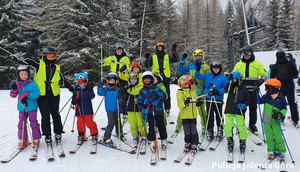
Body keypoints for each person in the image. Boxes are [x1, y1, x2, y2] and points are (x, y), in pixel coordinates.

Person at [24, 39, 74, 148]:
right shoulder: (39, 64)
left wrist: (72, 89)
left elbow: (63, 80)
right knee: (45, 115)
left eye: (54, 56)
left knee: (55, 114)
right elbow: (26, 58)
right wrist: (32, 48)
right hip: (42, 95)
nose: (52, 58)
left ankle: (58, 133)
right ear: (45, 55)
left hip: (54, 94)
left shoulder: (57, 68)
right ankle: (47, 134)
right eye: (50, 56)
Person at [232, 45, 268, 134]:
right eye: (245, 54)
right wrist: (235, 82)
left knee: (253, 108)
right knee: (242, 108)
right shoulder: (239, 64)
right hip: (242, 90)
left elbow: (264, 75)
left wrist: (259, 83)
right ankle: (241, 125)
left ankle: (252, 125)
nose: (247, 56)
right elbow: (234, 75)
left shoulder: (257, 64)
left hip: (253, 88)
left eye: (248, 54)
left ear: (252, 54)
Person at [178, 50, 210, 136]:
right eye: (196, 56)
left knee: (201, 109)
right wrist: (182, 62)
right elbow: (180, 71)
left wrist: (203, 87)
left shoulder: (206, 67)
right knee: (185, 107)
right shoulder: (191, 66)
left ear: (202, 56)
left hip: (200, 90)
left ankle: (204, 125)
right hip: (190, 90)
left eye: (200, 56)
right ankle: (179, 124)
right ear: (194, 56)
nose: (198, 57)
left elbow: (209, 78)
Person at [194, 61, 227, 140]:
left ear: (220, 69)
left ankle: (220, 129)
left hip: (218, 99)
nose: (216, 70)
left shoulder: (223, 77)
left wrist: (218, 91)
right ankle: (210, 129)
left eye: (217, 68)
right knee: (209, 114)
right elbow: (198, 76)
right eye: (214, 68)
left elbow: (226, 88)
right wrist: (197, 69)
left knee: (219, 115)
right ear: (211, 69)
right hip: (209, 98)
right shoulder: (208, 75)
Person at [10, 65, 41, 148]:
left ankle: (36, 138)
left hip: (31, 107)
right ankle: (23, 139)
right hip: (22, 108)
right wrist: (14, 89)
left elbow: (36, 94)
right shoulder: (17, 84)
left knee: (33, 122)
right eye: (22, 74)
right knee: (21, 123)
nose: (24, 76)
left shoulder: (32, 84)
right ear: (18, 75)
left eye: (25, 74)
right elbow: (12, 95)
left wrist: (27, 95)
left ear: (28, 74)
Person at [145, 42, 178, 116]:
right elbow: (147, 65)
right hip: (156, 78)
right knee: (155, 92)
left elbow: (175, 60)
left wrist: (174, 51)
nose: (160, 49)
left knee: (166, 93)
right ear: (157, 49)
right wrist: (147, 58)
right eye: (159, 48)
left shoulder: (166, 56)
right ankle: (156, 106)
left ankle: (167, 108)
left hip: (165, 77)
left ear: (163, 48)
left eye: (161, 48)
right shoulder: (153, 57)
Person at [138, 71, 167, 156]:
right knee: (151, 126)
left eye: (148, 80)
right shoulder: (142, 91)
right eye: (145, 81)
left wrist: (155, 88)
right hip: (149, 111)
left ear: (152, 80)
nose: (147, 82)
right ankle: (152, 140)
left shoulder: (156, 88)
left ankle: (163, 139)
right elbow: (140, 102)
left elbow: (164, 96)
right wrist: (143, 109)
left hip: (158, 110)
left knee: (161, 125)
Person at [258, 78, 287, 161]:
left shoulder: (281, 98)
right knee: (269, 136)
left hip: (276, 120)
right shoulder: (266, 96)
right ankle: (271, 150)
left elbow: (284, 109)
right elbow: (259, 101)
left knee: (278, 136)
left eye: (269, 87)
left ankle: (281, 151)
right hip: (266, 118)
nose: (267, 89)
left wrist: (279, 114)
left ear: (276, 88)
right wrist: (255, 93)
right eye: (266, 87)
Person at [270, 51, 299, 127]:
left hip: (279, 87)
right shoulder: (290, 64)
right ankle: (295, 120)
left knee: (281, 104)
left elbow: (272, 78)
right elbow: (296, 73)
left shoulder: (275, 66)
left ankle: (281, 119)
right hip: (290, 86)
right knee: (292, 103)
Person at [102, 43, 131, 119]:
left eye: (120, 50)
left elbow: (129, 68)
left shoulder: (126, 58)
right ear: (115, 51)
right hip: (114, 79)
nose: (119, 51)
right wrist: (102, 59)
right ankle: (115, 111)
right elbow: (103, 63)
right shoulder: (111, 58)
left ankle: (124, 112)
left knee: (123, 96)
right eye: (117, 50)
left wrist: (123, 71)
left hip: (123, 79)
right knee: (114, 95)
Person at [224, 71, 250, 154]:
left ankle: (242, 141)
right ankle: (230, 140)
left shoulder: (244, 88)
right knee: (228, 125)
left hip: (239, 110)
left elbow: (248, 100)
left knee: (241, 126)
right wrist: (229, 81)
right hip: (230, 109)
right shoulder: (230, 86)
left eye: (234, 79)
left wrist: (244, 105)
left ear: (239, 79)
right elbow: (226, 89)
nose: (233, 81)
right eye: (232, 79)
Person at [71, 72, 98, 145]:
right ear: (77, 82)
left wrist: (90, 90)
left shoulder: (88, 89)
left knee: (90, 123)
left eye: (84, 81)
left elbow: (92, 96)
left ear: (87, 81)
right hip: (79, 110)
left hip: (87, 110)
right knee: (80, 124)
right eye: (80, 82)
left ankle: (94, 135)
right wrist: (74, 101)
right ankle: (81, 135)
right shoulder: (76, 90)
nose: (82, 83)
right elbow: (73, 100)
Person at [97, 72, 123, 146]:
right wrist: (100, 85)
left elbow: (120, 98)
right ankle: (106, 137)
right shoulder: (106, 89)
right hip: (109, 109)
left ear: (116, 81)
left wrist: (121, 100)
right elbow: (100, 93)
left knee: (118, 121)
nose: (112, 82)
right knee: (111, 123)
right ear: (108, 81)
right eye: (110, 80)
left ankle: (119, 133)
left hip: (116, 108)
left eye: (113, 81)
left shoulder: (117, 89)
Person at [177, 75, 200, 153]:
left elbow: (195, 100)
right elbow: (180, 105)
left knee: (193, 130)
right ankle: (187, 143)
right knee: (187, 130)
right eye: (192, 83)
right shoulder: (180, 93)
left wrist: (198, 102)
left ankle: (194, 143)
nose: (193, 85)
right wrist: (186, 102)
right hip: (185, 116)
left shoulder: (193, 92)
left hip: (193, 115)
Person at [123, 72, 145, 150]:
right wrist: (126, 88)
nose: (133, 81)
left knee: (140, 123)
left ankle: (144, 136)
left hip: (139, 109)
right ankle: (135, 136)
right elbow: (121, 94)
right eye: (131, 79)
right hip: (130, 109)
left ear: (137, 80)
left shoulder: (141, 88)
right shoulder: (128, 88)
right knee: (133, 124)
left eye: (135, 79)